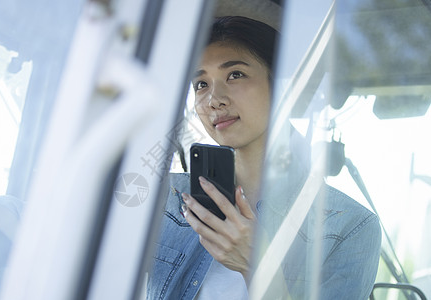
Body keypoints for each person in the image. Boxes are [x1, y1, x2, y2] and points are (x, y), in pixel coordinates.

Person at [146, 16, 381, 299]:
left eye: (235, 74)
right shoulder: (167, 197)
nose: (213, 99)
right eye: (200, 84)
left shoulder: (350, 227)